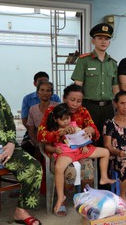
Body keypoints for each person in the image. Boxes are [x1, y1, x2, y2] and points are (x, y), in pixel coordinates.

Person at [0, 55, 42, 225]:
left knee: (33, 167)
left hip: (4, 150)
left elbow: (10, 125)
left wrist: (10, 144)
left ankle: (21, 212)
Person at [37, 84, 102, 216]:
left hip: (80, 151)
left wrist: (91, 130)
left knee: (88, 170)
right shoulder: (53, 111)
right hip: (60, 152)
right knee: (70, 172)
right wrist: (59, 133)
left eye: (79, 101)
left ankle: (85, 200)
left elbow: (96, 132)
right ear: (64, 98)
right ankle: (62, 199)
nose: (75, 104)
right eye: (72, 100)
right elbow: (41, 135)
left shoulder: (83, 111)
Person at [44, 103, 115, 216]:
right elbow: (46, 146)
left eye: (67, 118)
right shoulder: (53, 130)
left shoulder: (74, 125)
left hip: (80, 151)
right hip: (66, 153)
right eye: (63, 120)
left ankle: (104, 177)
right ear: (55, 119)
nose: (66, 122)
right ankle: (60, 197)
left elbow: (83, 137)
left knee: (105, 152)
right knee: (59, 168)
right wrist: (54, 150)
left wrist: (84, 146)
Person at [71, 23, 119, 146]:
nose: (104, 42)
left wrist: (118, 107)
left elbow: (115, 88)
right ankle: (90, 165)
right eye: (100, 38)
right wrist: (76, 107)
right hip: (89, 107)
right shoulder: (84, 60)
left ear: (109, 42)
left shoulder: (113, 63)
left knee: (107, 139)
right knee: (88, 139)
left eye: (107, 39)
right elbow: (78, 86)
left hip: (108, 108)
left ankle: (105, 165)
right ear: (93, 41)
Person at [25, 81, 58, 158]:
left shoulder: (57, 107)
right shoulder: (32, 109)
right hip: (38, 140)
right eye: (42, 90)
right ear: (37, 93)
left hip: (55, 139)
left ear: (52, 93)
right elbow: (31, 131)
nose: (45, 93)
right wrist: (37, 143)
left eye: (48, 90)